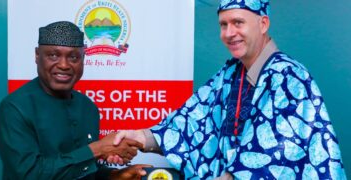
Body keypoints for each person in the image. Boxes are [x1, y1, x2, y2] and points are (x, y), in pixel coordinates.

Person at [112, 0, 347, 179]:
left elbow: (278, 155)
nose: (229, 33)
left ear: (263, 23)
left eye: (238, 23)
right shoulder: (229, 74)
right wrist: (141, 137)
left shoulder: (289, 77)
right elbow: (191, 123)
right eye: (223, 24)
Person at [0, 21, 151, 179]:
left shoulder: (88, 107)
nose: (64, 65)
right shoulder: (15, 107)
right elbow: (28, 173)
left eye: (73, 57)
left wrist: (114, 175)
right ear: (37, 55)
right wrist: (98, 149)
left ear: (83, 59)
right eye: (53, 55)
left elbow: (83, 169)